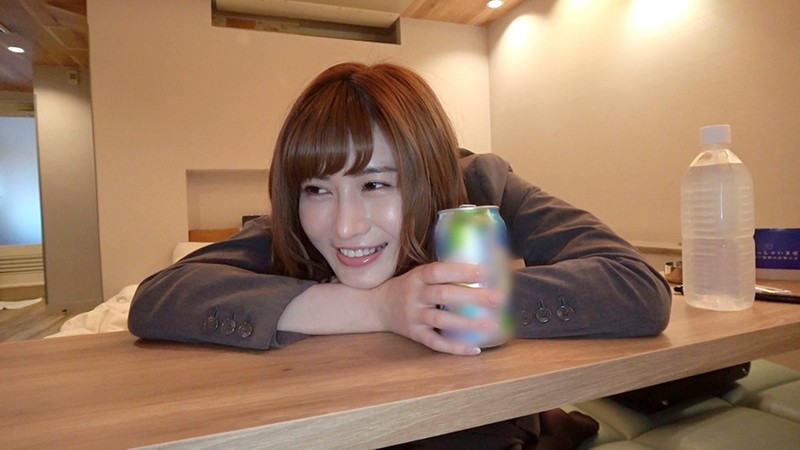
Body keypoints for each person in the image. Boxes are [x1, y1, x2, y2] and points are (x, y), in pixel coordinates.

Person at [128, 62, 671, 448]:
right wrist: (379, 307)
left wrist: (456, 303)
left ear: (428, 173)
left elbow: (637, 286)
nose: (344, 225)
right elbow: (157, 300)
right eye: (317, 188)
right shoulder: (292, 226)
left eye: (375, 184)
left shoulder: (480, 184)